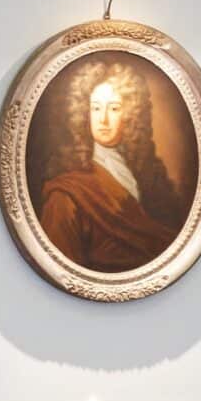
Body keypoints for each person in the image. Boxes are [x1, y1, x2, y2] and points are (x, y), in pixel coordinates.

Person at [36, 59, 182, 274]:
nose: (103, 119)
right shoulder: (66, 194)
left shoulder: (147, 175)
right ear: (85, 113)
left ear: (130, 114)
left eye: (114, 108)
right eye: (95, 108)